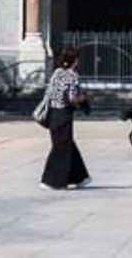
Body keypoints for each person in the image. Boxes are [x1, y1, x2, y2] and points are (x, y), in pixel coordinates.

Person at [40, 49, 92, 191]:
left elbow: (50, 91)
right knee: (61, 147)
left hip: (52, 113)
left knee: (65, 144)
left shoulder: (57, 72)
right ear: (75, 60)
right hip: (63, 113)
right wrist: (84, 98)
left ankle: (80, 177)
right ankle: (51, 180)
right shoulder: (73, 76)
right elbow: (71, 97)